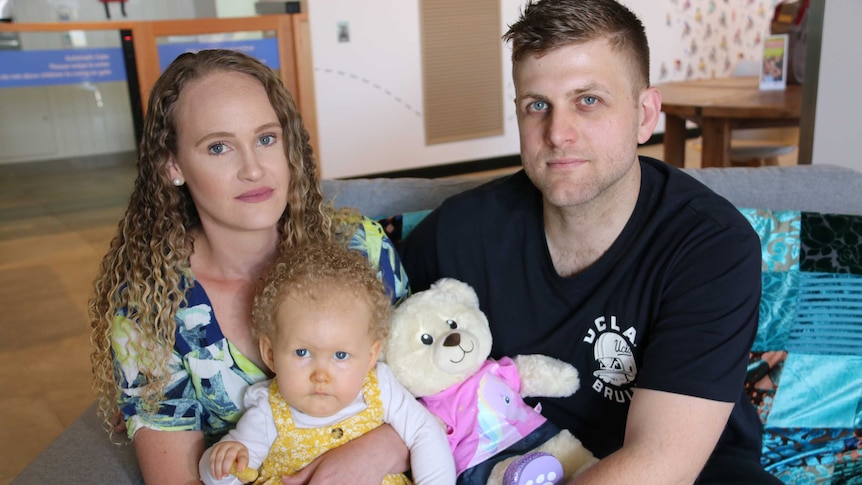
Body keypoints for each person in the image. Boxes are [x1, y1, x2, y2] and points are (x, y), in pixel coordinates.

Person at [400, 1, 781, 484]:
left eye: (588, 100)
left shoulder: (711, 245)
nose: (558, 133)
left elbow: (659, 464)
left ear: (645, 115)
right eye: (537, 105)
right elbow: (375, 361)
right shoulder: (458, 234)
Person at [89, 49, 410, 485]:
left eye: (265, 138)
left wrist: (378, 450)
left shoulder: (361, 248)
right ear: (173, 164)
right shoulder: (151, 309)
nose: (254, 169)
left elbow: (438, 385)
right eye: (219, 147)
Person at [199, 242, 455, 485]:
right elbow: (222, 478)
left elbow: (425, 432)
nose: (320, 375)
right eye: (302, 353)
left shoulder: (380, 388)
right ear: (270, 355)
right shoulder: (267, 414)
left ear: (369, 357)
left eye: (340, 356)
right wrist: (222, 460)